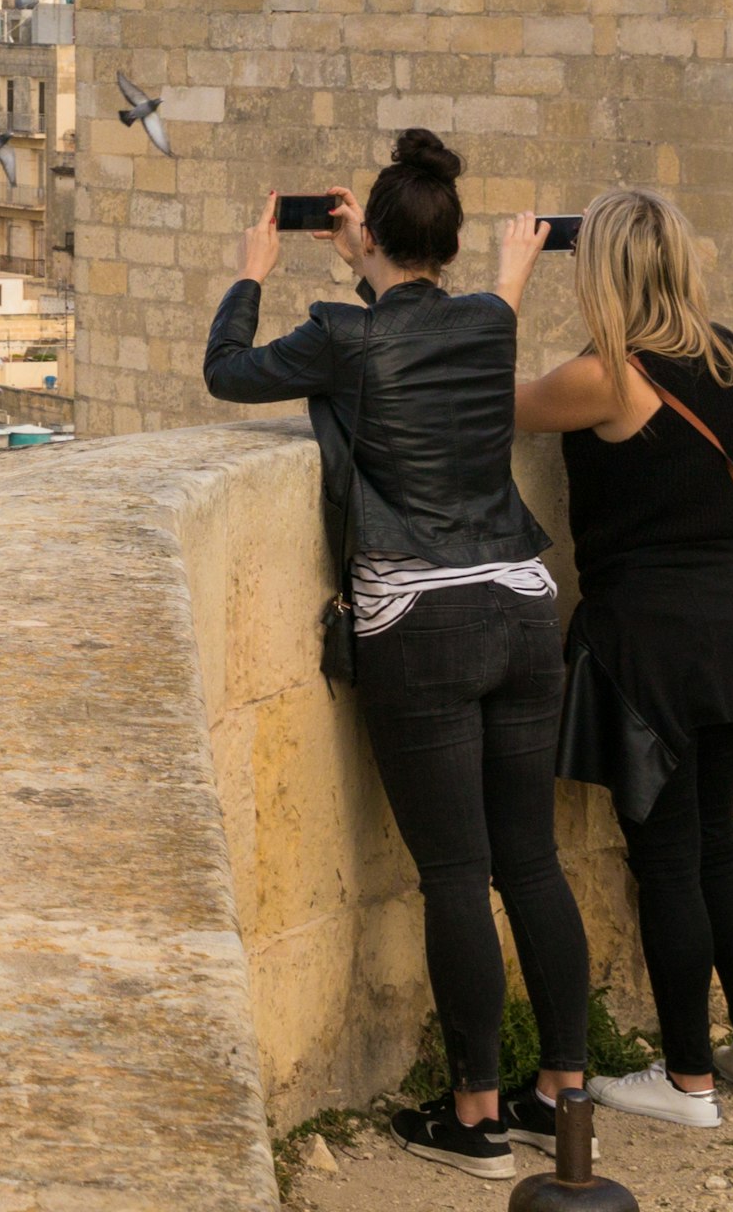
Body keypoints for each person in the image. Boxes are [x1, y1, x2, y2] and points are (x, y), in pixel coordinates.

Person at [208, 129, 590, 1181]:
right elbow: (437, 323)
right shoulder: (491, 321)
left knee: (458, 874)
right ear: (450, 246)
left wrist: (253, 271)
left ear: (370, 234)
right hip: (522, 605)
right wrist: (369, 258)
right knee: (531, 862)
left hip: (420, 622)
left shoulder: (342, 334)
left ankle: (476, 1116)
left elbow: (227, 373)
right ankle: (565, 1094)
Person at [516, 187, 733, 1128]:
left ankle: (687, 1082)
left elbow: (492, 401)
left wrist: (505, 283)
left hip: (653, 645)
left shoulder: (606, 376)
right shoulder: (732, 359)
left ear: (604, 272)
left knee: (669, 861)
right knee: (718, 844)